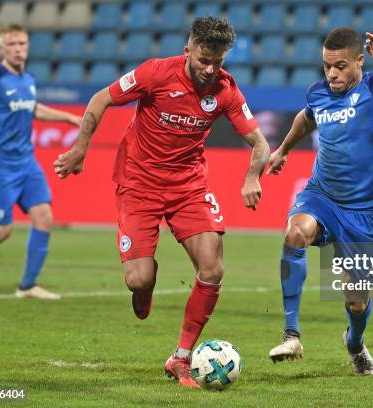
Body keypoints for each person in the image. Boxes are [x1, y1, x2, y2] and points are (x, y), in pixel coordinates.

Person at [53, 17, 269, 387]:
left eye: (217, 61)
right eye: (203, 59)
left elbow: (261, 143)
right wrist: (79, 149)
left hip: (188, 186)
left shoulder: (226, 89)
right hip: (138, 183)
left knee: (213, 268)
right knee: (138, 278)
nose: (210, 68)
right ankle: (146, 285)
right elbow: (101, 97)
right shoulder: (155, 73)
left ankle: (181, 358)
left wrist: (252, 176)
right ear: (188, 50)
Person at [267, 27, 373, 376]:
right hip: (322, 195)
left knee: (356, 300)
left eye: (340, 66)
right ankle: (291, 333)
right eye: (326, 66)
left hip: (363, 211)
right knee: (295, 234)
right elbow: (305, 118)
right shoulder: (319, 93)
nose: (332, 74)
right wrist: (283, 150)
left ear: (359, 61)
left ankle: (354, 343)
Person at [0, 24, 81, 300]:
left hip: (27, 164)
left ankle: (27, 286)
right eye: (11, 44)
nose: (17, 49)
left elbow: (33, 107)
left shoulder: (28, 79)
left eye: (22, 44)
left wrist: (67, 117)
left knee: (44, 218)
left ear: (28, 46)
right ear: (2, 48)